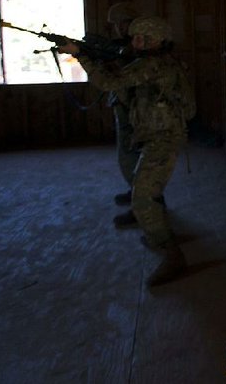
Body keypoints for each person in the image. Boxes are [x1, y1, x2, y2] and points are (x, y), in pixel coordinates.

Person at [59, 16, 196, 287]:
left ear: (153, 40)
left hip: (163, 139)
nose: (133, 42)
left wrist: (81, 56)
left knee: (142, 198)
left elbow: (110, 83)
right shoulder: (158, 61)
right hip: (156, 136)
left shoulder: (153, 65)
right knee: (145, 191)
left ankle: (172, 255)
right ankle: (159, 233)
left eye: (139, 38)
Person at [104, 2, 142, 210]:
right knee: (129, 154)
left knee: (131, 154)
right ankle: (136, 192)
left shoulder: (136, 47)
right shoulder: (126, 46)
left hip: (134, 108)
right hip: (126, 104)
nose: (118, 28)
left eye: (121, 23)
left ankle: (143, 201)